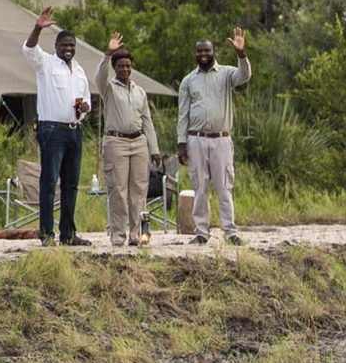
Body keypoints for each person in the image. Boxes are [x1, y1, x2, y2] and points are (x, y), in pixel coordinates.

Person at [22, 6, 93, 246]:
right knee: (50, 182)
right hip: (52, 130)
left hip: (75, 130)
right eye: (64, 45)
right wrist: (37, 28)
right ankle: (46, 234)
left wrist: (84, 108)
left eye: (72, 45)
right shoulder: (47, 64)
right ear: (56, 47)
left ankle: (68, 234)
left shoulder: (80, 70)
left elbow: (87, 101)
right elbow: (29, 49)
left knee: (71, 184)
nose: (69, 49)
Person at [175, 27, 251, 244]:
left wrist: (241, 54)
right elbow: (183, 114)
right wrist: (181, 143)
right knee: (200, 187)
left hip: (221, 139)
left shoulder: (227, 73)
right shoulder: (188, 81)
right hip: (196, 139)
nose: (203, 54)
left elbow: (244, 76)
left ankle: (230, 231)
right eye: (199, 51)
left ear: (214, 51)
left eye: (206, 51)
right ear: (195, 53)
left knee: (224, 186)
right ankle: (201, 232)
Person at [91, 36, 163, 246]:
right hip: (116, 142)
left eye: (128, 66)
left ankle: (137, 235)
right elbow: (99, 77)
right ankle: (118, 235)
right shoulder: (109, 88)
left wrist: (154, 148)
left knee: (139, 191)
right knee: (118, 191)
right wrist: (107, 54)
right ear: (115, 67)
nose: (125, 69)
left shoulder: (139, 91)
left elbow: (147, 120)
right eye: (121, 66)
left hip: (138, 142)